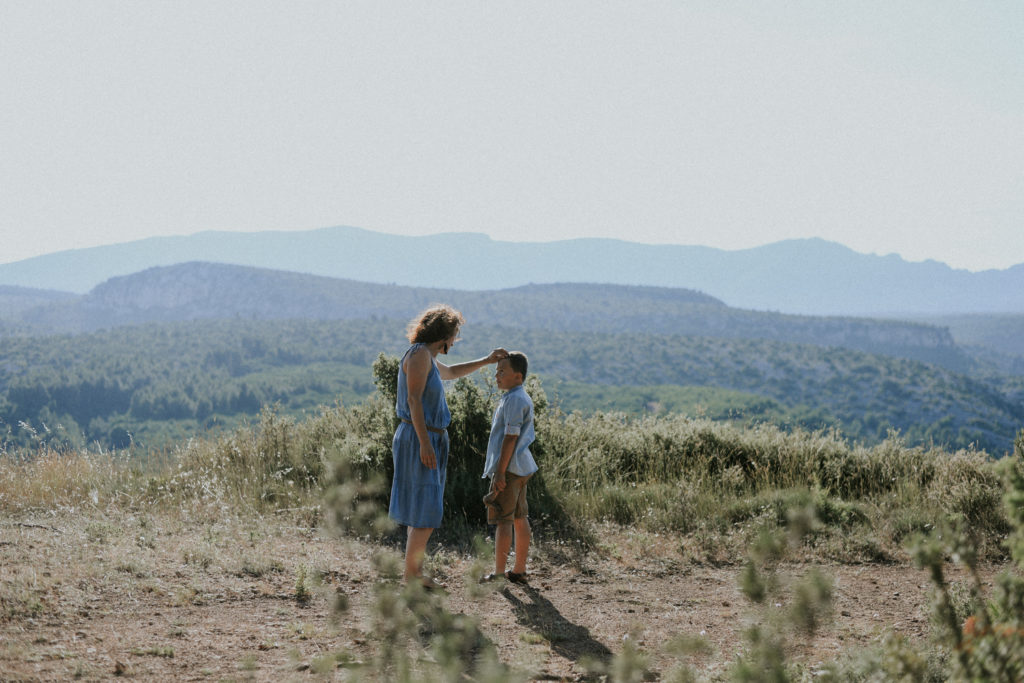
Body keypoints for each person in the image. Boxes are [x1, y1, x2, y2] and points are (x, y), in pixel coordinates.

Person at [388, 304, 507, 590]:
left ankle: (412, 576)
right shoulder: (418, 355)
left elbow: (451, 372)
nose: (454, 341)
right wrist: (426, 444)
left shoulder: (425, 355)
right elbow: (414, 401)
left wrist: (487, 360)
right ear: (444, 334)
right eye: (454, 335)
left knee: (422, 510)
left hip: (427, 437)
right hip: (421, 438)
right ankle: (413, 578)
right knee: (425, 511)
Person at [480, 351, 537, 584]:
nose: (497, 375)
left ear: (518, 376)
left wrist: (500, 472)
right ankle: (520, 569)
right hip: (522, 467)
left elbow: (510, 437)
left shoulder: (514, 399)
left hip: (511, 469)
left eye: (502, 371)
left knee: (504, 520)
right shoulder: (517, 396)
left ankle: (499, 573)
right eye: (496, 371)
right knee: (519, 516)